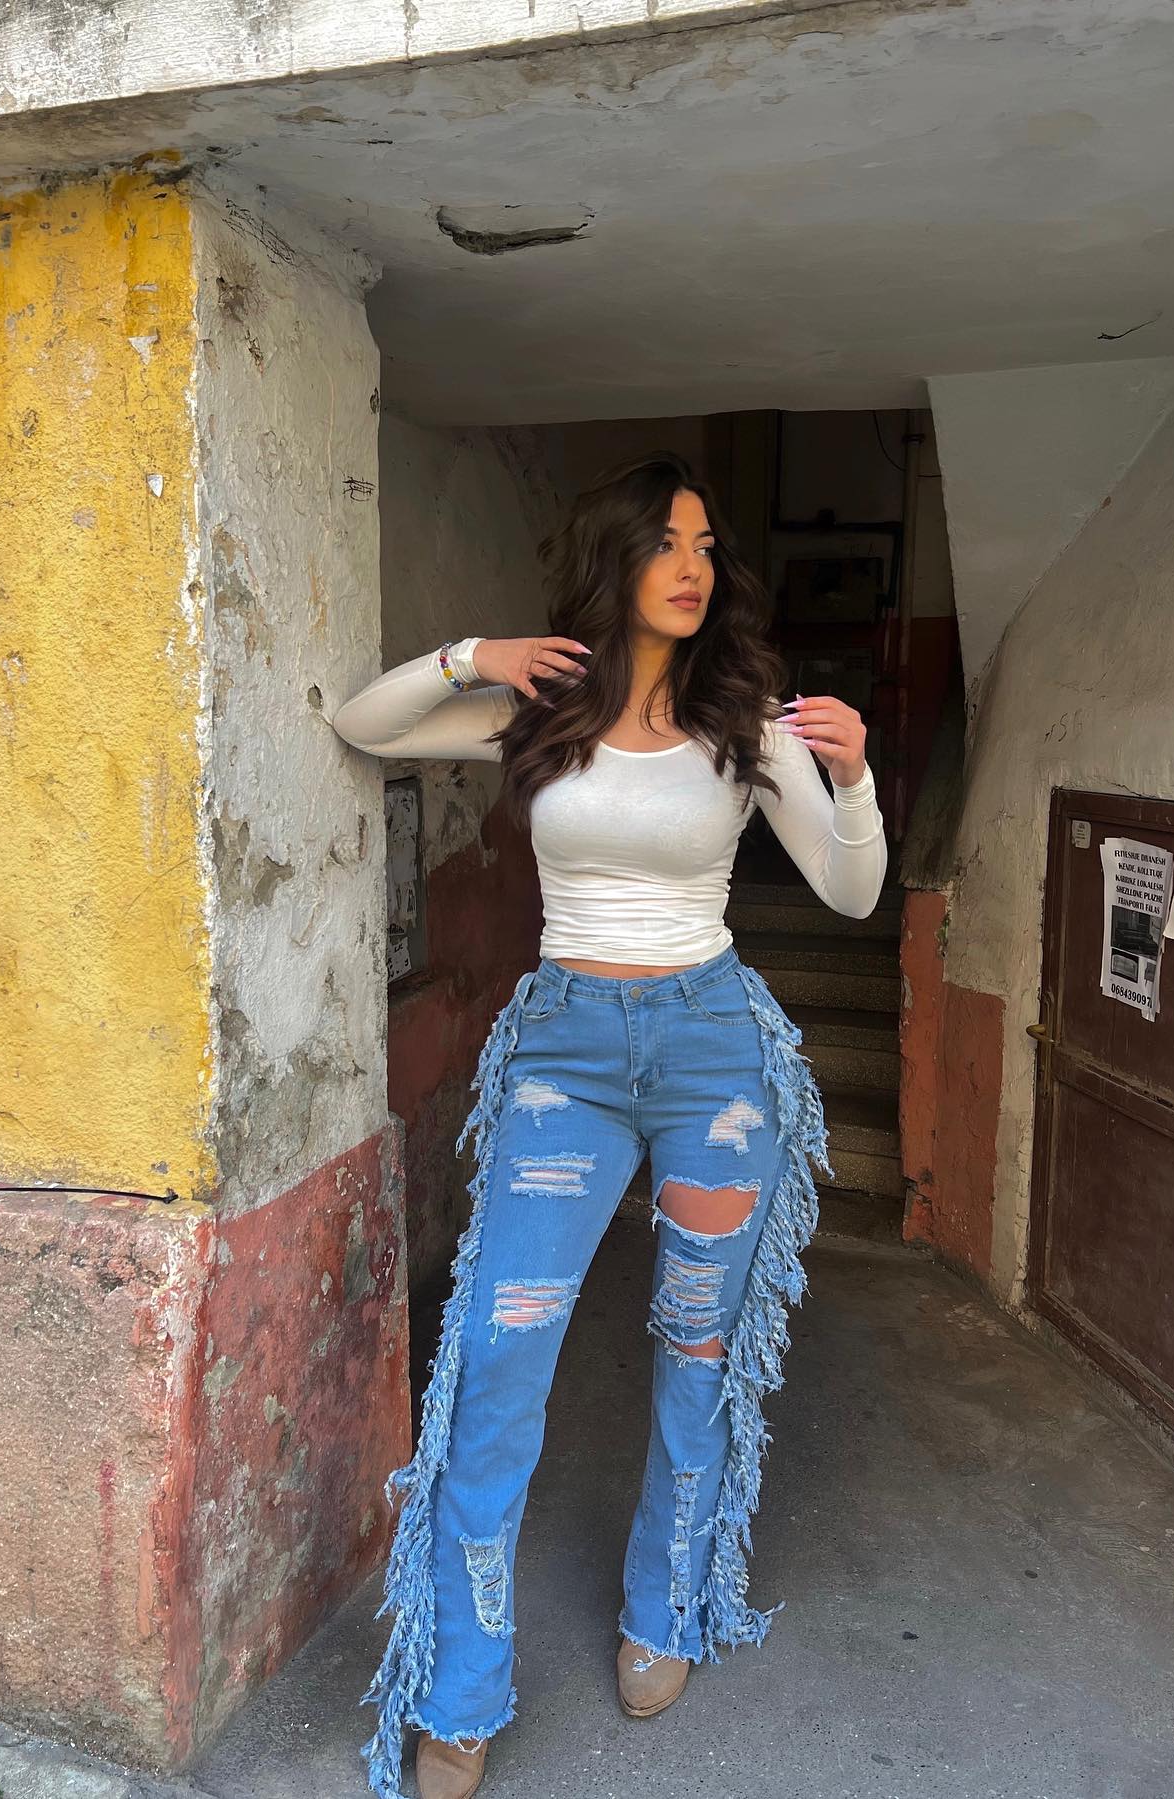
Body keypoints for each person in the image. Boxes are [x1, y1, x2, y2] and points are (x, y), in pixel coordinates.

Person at [332, 453, 887, 1799]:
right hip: (563, 1059)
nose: (692, 567)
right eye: (667, 543)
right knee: (495, 1368)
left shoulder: (747, 724)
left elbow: (852, 892)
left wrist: (859, 776)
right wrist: (473, 655)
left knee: (698, 1350)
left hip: (714, 1056)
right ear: (615, 558)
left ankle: (666, 1610)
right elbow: (366, 723)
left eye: (706, 546)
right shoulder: (544, 710)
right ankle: (459, 1689)